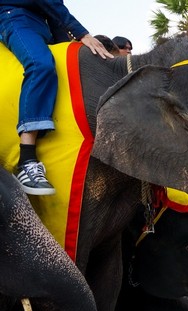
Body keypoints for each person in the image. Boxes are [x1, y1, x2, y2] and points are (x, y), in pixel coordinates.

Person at [0, 1, 113, 195]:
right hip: (15, 16)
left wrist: (67, 48)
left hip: (43, 25)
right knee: (40, 66)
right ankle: (26, 160)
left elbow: (52, 11)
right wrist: (82, 33)